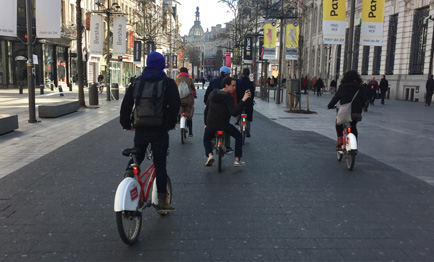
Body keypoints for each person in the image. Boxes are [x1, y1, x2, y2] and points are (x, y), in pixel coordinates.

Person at [120, 51, 180, 212]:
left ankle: (127, 177)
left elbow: (126, 105)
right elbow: (175, 106)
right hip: (159, 129)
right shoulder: (167, 83)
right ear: (162, 65)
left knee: (137, 155)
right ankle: (161, 200)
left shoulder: (136, 82)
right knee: (160, 164)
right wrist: (170, 123)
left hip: (140, 127)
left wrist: (126, 123)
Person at [203, 76, 251, 167]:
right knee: (238, 136)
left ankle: (209, 155)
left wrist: (206, 124)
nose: (234, 88)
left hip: (211, 124)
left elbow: (206, 110)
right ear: (226, 85)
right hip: (223, 125)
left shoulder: (212, 94)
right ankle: (237, 159)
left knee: (206, 139)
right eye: (233, 86)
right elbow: (234, 112)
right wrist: (243, 99)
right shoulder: (228, 97)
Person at [327, 70, 368, 149]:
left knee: (338, 123)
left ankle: (340, 140)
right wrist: (361, 106)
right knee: (353, 127)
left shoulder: (342, 87)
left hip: (345, 112)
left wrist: (330, 105)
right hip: (356, 113)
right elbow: (364, 99)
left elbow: (335, 98)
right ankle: (354, 146)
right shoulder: (360, 88)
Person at [175, 67, 196, 136]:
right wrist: (194, 94)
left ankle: (178, 118)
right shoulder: (189, 79)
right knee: (189, 114)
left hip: (179, 99)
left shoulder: (177, 79)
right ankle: (190, 132)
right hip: (188, 100)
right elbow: (193, 88)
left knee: (178, 109)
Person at [236, 68, 255, 137]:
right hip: (248, 102)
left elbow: (236, 91)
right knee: (248, 115)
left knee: (238, 110)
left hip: (240, 101)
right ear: (248, 74)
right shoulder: (250, 83)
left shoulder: (239, 81)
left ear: (242, 73)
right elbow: (252, 93)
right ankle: (247, 131)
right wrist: (251, 99)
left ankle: (238, 119)